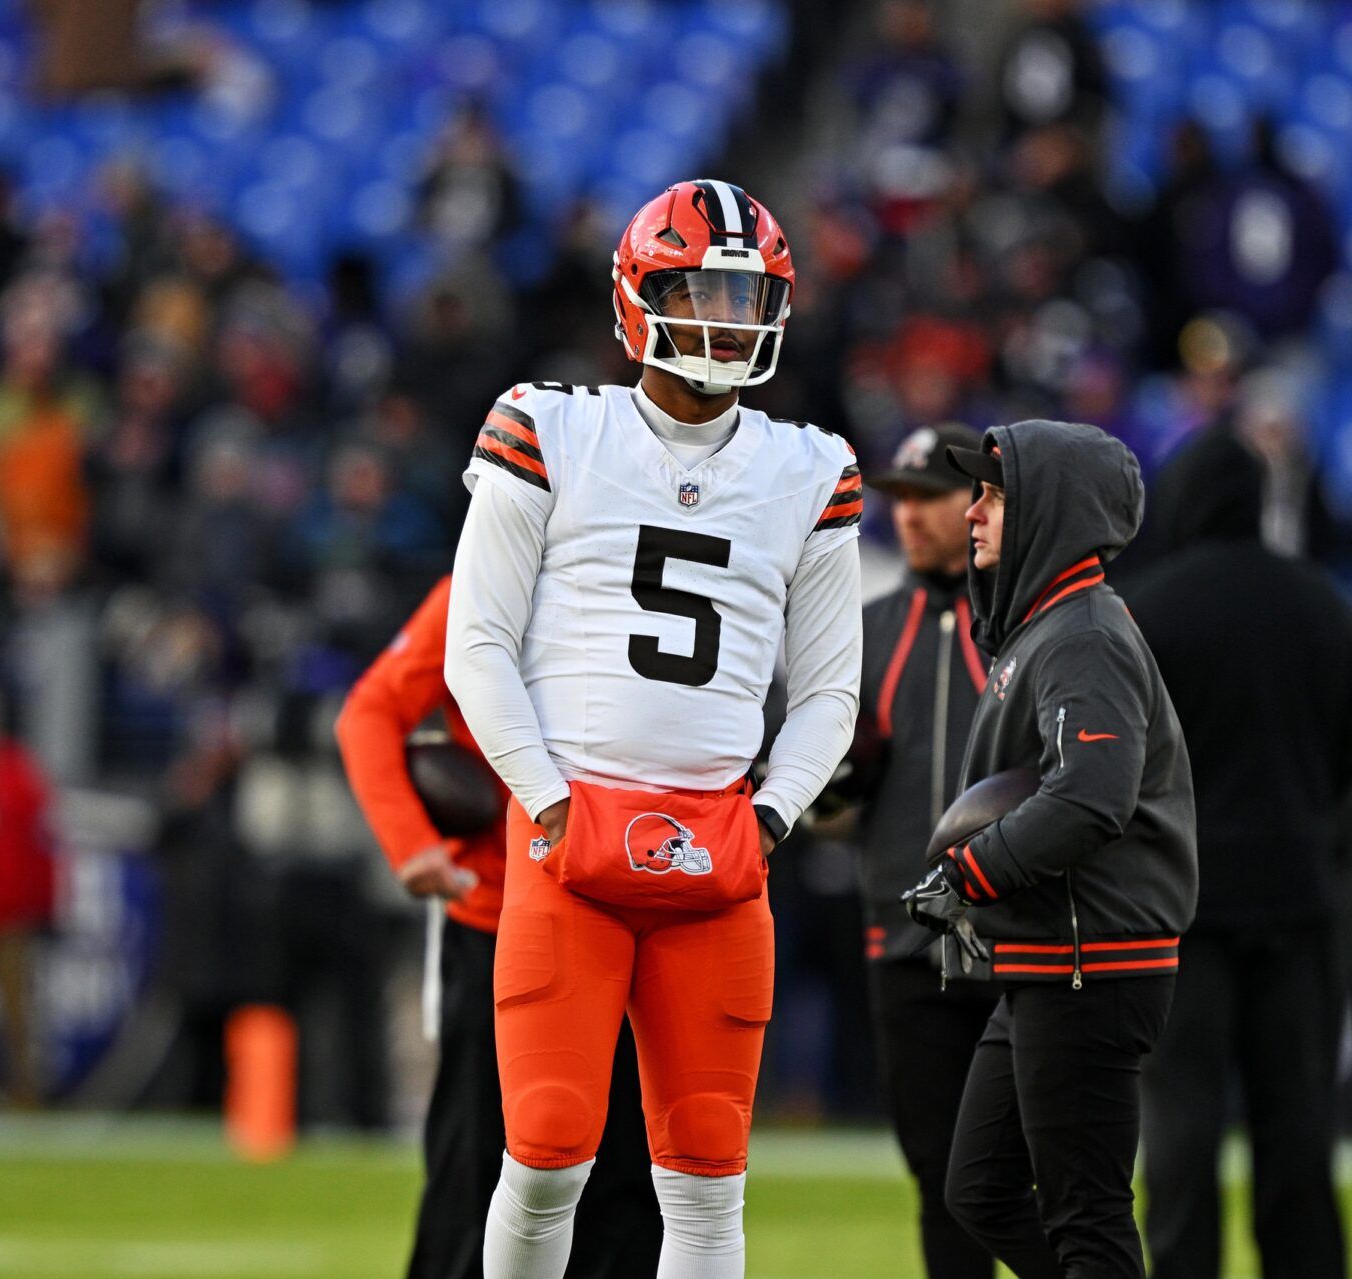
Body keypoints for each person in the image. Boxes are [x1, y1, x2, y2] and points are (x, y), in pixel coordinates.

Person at [446, 180, 861, 1278]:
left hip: (717, 848)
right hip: (568, 837)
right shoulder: (550, 426)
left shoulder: (808, 467)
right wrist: (545, 796)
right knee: (542, 1155)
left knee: (710, 1178)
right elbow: (474, 644)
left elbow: (829, 691)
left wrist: (771, 815)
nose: (726, 317)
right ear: (639, 297)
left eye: (746, 294)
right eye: (703, 290)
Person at [907, 419, 1197, 1279]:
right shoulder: (1049, 624)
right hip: (1054, 957)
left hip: (1093, 962)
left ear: (1052, 508)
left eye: (994, 493)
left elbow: (1090, 796)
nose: (972, 511)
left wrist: (968, 872)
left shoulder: (1084, 635)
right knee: (982, 1188)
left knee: (1087, 1217)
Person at [336, 575, 662, 1279]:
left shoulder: (627, 558)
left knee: (633, 1169)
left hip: (628, 909)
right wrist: (409, 840)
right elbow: (369, 713)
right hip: (502, 915)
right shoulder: (482, 581)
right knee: (478, 1162)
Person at [1123, 427, 1352, 1279]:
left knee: (1182, 1132)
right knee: (1299, 1134)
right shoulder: (1323, 605)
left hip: (1179, 913)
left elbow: (1112, 762)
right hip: (1299, 900)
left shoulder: (1147, 610)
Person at [851, 423, 999, 1279]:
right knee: (937, 1174)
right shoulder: (863, 629)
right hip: (903, 941)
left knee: (1040, 1179)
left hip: (1016, 940)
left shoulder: (1021, 628)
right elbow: (829, 811)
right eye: (898, 499)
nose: (908, 516)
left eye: (929, 497)